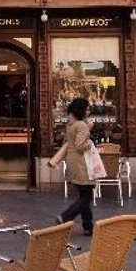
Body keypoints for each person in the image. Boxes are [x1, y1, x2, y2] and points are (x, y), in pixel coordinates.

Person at [54, 97, 95, 236]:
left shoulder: (70, 124)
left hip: (73, 162)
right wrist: (90, 139)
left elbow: (68, 141)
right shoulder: (81, 125)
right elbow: (80, 145)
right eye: (87, 108)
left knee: (84, 193)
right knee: (87, 197)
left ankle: (88, 226)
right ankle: (65, 216)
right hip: (82, 164)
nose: (89, 111)